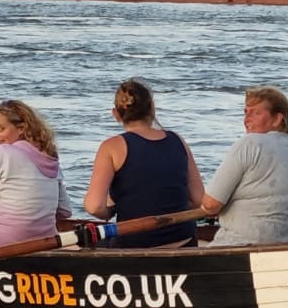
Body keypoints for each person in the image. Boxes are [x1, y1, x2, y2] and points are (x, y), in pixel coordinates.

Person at [84, 77, 203, 248]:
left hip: (135, 243)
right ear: (152, 110)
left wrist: (110, 210)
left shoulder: (111, 147)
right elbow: (198, 199)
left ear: (116, 114)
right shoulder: (178, 140)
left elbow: (94, 207)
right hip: (183, 240)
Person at [202, 86, 288, 246]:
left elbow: (211, 204)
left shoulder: (249, 143)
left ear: (277, 119)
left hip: (240, 245)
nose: (247, 118)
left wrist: (214, 208)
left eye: (256, 113)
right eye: (245, 112)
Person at [0, 100, 72, 246]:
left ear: (21, 128)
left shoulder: (3, 153)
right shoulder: (50, 158)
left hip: (1, 244)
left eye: (0, 129)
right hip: (43, 243)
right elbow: (65, 211)